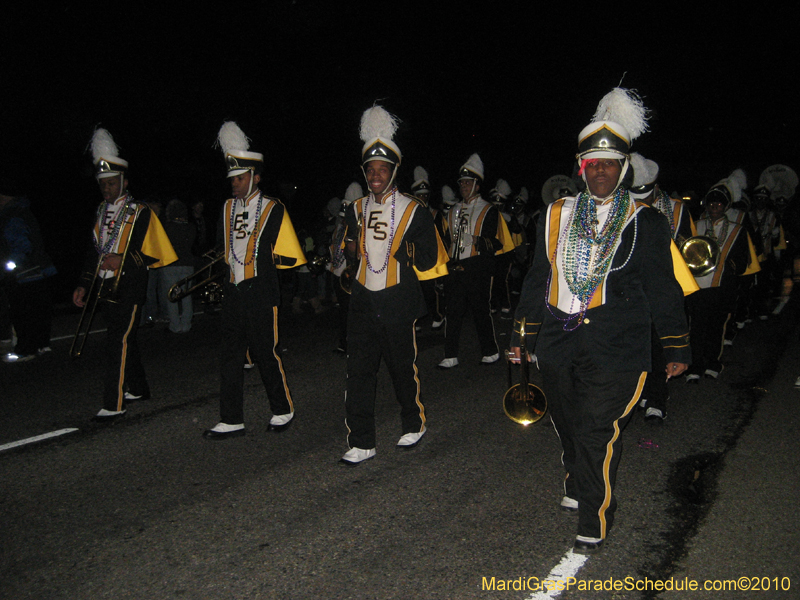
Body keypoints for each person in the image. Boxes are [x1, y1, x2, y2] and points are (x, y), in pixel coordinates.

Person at [510, 88, 692, 554]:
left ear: (623, 168)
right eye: (594, 163)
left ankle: (594, 516)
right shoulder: (555, 215)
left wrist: (675, 345)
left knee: (596, 429)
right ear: (582, 168)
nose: (602, 171)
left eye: (610, 163)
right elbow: (538, 277)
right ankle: (577, 477)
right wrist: (522, 334)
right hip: (558, 338)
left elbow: (663, 287)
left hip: (617, 346)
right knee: (569, 423)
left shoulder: (644, 220)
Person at [339, 104, 445, 466]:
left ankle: (413, 423)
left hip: (398, 299)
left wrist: (406, 251)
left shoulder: (414, 209)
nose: (375, 175)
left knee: (402, 367)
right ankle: (362, 441)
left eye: (382, 169)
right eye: (370, 169)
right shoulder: (355, 209)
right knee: (359, 371)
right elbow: (350, 253)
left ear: (393, 171)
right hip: (363, 301)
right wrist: (350, 251)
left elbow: (431, 258)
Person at [203, 121, 305, 440]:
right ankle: (231, 418)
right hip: (234, 293)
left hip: (261, 292)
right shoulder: (226, 208)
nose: (234, 183)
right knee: (230, 356)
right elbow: (227, 247)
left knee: (265, 352)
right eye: (232, 178)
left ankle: (282, 408)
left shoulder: (273, 207)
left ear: (255, 177)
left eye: (240, 177)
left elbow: (285, 254)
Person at [72, 128, 176, 421]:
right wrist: (83, 283)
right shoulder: (100, 213)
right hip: (104, 285)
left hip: (129, 286)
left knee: (117, 341)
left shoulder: (140, 211)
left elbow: (153, 253)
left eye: (111, 183)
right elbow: (94, 251)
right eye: (102, 184)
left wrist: (123, 261)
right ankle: (140, 388)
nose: (107, 189)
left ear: (124, 182)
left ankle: (114, 402)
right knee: (123, 339)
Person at [628, 152, 696, 423]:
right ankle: (641, 391)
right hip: (632, 287)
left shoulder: (676, 208)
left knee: (658, 341)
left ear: (655, 188)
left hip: (662, 281)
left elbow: (691, 246)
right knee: (636, 343)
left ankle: (656, 397)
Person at [685, 175, 758, 382]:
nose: (715, 205)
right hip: (697, 288)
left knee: (716, 327)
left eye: (719, 202)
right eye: (711, 202)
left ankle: (712, 363)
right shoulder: (695, 225)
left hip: (721, 288)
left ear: (726, 206)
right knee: (696, 327)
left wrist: (726, 266)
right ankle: (695, 365)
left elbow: (742, 263)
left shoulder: (738, 230)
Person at [438, 154, 502, 369]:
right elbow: (445, 240)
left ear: (477, 184)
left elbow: (497, 243)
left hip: (477, 266)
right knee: (452, 311)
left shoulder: (489, 210)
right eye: (462, 182)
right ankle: (450, 354)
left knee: (480, 310)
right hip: (455, 267)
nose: (464, 186)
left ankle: (490, 351)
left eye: (468, 182)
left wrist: (474, 240)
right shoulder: (452, 210)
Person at [0, 179, 57, 363]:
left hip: (24, 273)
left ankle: (27, 348)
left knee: (22, 310)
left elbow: (20, 243)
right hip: (38, 269)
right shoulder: (23, 210)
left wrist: (13, 266)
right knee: (38, 308)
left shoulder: (11, 213)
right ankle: (41, 344)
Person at [161, 199, 197, 333]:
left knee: (171, 296)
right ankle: (186, 324)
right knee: (186, 295)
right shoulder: (190, 227)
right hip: (187, 263)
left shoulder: (166, 227)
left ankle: (175, 325)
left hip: (170, 264)